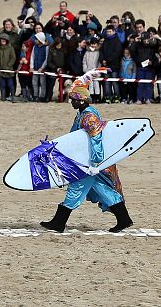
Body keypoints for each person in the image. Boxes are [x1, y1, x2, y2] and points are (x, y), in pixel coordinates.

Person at [40, 69, 133, 234]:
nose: (71, 102)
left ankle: (58, 222)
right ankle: (124, 219)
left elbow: (96, 139)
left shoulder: (88, 117)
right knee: (101, 189)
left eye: (73, 100)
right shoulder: (82, 114)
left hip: (90, 163)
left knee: (76, 189)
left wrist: (96, 163)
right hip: (88, 162)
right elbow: (75, 139)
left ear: (82, 101)